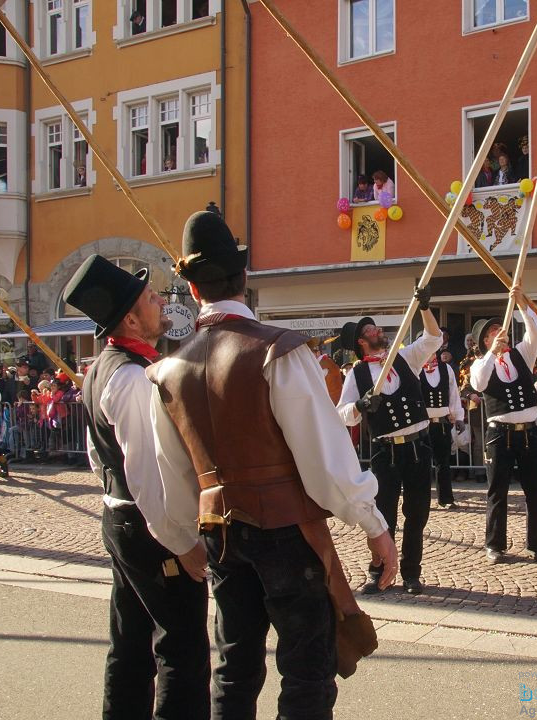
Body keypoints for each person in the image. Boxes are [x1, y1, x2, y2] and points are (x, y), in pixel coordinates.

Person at [148, 212, 397, 718]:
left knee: (235, 668)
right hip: (283, 532)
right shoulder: (277, 351)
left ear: (193, 290)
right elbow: (326, 459)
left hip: (219, 531)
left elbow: (173, 476)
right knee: (308, 668)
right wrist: (374, 527)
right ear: (244, 279)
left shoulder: (165, 373)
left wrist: (184, 540)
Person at [62, 254, 211, 720]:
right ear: (130, 318)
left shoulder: (104, 369)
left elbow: (97, 456)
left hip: (122, 517)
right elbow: (150, 473)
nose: (159, 300)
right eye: (150, 298)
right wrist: (181, 541)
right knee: (181, 650)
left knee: (129, 643)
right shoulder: (128, 376)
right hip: (149, 528)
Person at [337, 295, 440, 595]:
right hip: (386, 451)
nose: (376, 330)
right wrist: (361, 404)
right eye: (369, 330)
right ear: (360, 342)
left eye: (375, 327)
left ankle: (411, 573)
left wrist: (424, 308)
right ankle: (378, 570)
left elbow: (433, 338)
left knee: (417, 512)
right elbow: (342, 414)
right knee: (384, 514)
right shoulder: (357, 374)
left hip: (418, 447)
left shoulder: (404, 356)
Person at [468, 287, 537, 563]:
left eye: (498, 329)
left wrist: (523, 304)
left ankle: (535, 543)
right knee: (497, 491)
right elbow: (478, 383)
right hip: (499, 435)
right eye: (492, 332)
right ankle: (494, 544)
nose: (498, 334)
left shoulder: (521, 354)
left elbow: (535, 332)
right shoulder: (481, 364)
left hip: (529, 433)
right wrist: (491, 351)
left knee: (536, 489)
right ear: (484, 341)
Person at [420, 352, 465, 509]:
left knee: (443, 462)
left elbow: (454, 394)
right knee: (421, 464)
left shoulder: (446, 369)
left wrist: (459, 416)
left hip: (442, 423)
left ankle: (445, 499)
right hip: (422, 424)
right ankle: (422, 500)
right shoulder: (415, 368)